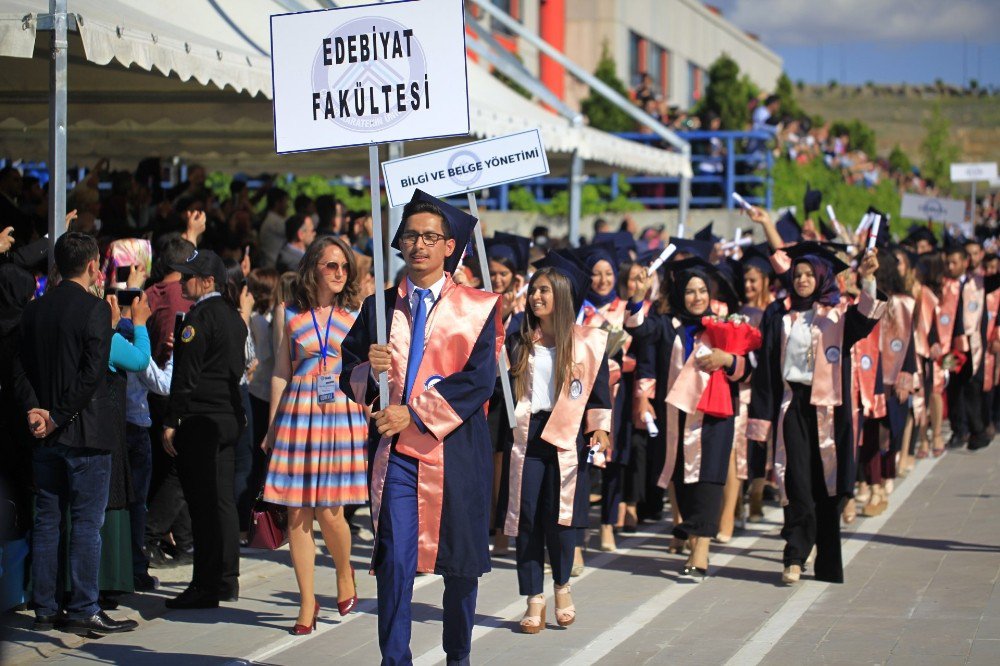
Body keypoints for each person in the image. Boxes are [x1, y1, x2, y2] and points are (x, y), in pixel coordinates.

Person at [340, 189, 503, 666]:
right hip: (398, 458)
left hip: (455, 451)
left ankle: (458, 656)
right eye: (411, 235)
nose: (419, 245)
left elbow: (478, 382)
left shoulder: (478, 306)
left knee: (460, 566)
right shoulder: (378, 307)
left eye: (430, 236)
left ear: (449, 245)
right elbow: (350, 373)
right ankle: (395, 660)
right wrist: (369, 371)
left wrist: (413, 413)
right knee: (394, 563)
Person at [12, 231, 138, 634]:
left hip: (44, 432)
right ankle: (84, 605)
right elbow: (91, 374)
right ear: (92, 267)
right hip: (83, 432)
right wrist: (57, 415)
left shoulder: (34, 310)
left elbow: (16, 368)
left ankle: (45, 607)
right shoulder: (95, 310)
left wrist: (36, 410)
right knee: (86, 522)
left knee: (49, 520)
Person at [747, 218, 885, 584]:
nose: (802, 279)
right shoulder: (779, 315)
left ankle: (824, 556)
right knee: (797, 482)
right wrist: (759, 421)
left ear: (823, 276)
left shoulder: (837, 317)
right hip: (792, 405)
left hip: (829, 409)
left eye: (809, 273)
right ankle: (794, 554)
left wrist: (868, 280)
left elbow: (868, 315)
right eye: (798, 273)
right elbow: (764, 373)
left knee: (829, 487)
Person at [263, 235, 367, 634]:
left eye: (345, 267)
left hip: (341, 413)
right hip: (298, 414)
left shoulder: (357, 314)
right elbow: (280, 372)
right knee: (296, 511)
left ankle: (344, 571)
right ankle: (307, 602)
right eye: (331, 266)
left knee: (331, 511)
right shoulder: (289, 313)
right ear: (313, 268)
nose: (340, 273)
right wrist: (271, 426)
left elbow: (367, 371)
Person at [502, 259, 611, 633]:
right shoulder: (517, 339)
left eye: (544, 290)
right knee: (528, 519)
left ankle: (562, 586)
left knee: (562, 520)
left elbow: (598, 396)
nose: (535, 296)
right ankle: (533, 598)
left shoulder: (588, 343)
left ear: (562, 296)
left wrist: (600, 430)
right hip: (527, 435)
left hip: (566, 437)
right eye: (533, 290)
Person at [628, 257, 752, 581]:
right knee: (683, 479)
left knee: (709, 478)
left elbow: (747, 369)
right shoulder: (666, 325)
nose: (697, 297)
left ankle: (702, 550)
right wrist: (638, 295)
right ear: (680, 294)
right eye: (690, 291)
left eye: (702, 291)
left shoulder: (724, 326)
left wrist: (729, 359)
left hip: (715, 416)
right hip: (677, 414)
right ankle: (694, 534)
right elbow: (637, 328)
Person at [161, 249, 248, 609]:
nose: (182, 283)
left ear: (208, 281)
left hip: (202, 420)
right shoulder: (233, 316)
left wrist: (171, 420)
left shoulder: (200, 317)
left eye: (188, 277)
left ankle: (206, 584)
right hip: (228, 416)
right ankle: (226, 579)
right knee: (223, 502)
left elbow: (186, 376)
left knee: (203, 505)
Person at [259, 188, 291, 269]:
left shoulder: (274, 219)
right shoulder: (274, 221)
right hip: (273, 267)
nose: (287, 205)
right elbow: (293, 229)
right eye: (285, 202)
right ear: (277, 203)